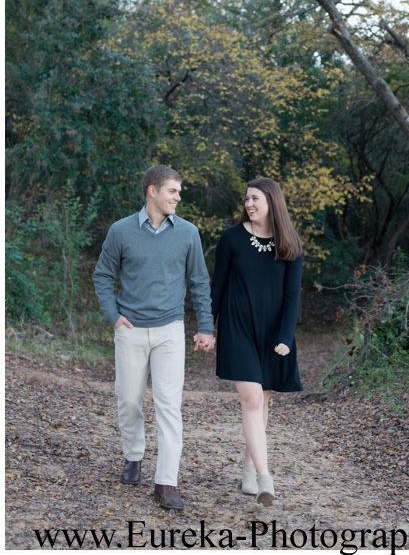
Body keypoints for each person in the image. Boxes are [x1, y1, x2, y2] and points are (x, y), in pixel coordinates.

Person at [93, 164, 215, 511]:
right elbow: (103, 275)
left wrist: (205, 326)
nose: (178, 197)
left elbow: (200, 282)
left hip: (170, 331)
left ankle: (166, 482)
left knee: (168, 405)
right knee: (129, 400)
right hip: (130, 329)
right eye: (173, 191)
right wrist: (113, 316)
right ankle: (133, 456)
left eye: (178, 191)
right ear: (152, 191)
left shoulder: (189, 233)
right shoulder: (121, 231)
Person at [211, 177, 303, 507]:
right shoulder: (231, 238)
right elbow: (217, 287)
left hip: (272, 334)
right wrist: (208, 327)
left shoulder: (289, 243)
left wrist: (285, 337)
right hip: (237, 327)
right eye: (246, 199)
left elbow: (293, 296)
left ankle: (248, 467)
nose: (249, 204)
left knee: (262, 403)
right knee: (251, 400)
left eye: (255, 199)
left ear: (271, 202)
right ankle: (266, 478)